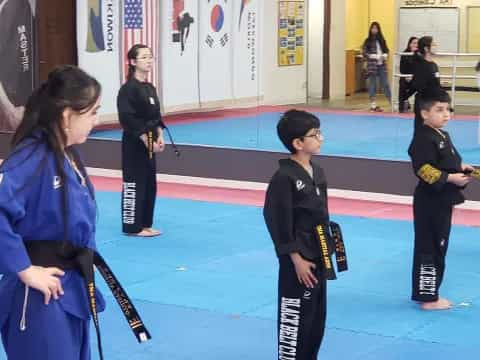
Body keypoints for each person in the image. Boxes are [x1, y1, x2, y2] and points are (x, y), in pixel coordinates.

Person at [0, 65, 105, 359]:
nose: (96, 120)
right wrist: (24, 269)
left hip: (71, 287)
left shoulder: (67, 155)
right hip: (40, 298)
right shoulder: (31, 158)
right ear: (66, 116)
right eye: (93, 112)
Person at [263, 110, 347, 359]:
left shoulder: (317, 172)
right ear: (298, 143)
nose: (321, 138)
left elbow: (322, 214)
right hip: (298, 260)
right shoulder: (284, 178)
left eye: (320, 132)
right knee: (295, 317)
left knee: (315, 318)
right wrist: (295, 258)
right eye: (315, 134)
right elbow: (276, 220)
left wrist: (330, 247)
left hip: (319, 253)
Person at [408, 88, 473, 311]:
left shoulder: (442, 135)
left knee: (438, 246)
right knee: (430, 247)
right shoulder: (423, 137)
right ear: (424, 113)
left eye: (448, 109)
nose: (446, 114)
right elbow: (422, 169)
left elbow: (449, 159)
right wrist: (450, 178)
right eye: (439, 110)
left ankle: (427, 292)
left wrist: (463, 168)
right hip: (430, 201)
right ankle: (428, 298)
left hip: (442, 200)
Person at [117, 44, 166, 237]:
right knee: (133, 182)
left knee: (149, 181)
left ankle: (145, 224)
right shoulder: (128, 89)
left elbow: (156, 115)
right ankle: (132, 226)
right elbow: (127, 117)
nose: (149, 60)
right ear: (133, 62)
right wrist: (145, 138)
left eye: (150, 56)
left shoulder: (149, 88)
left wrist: (159, 135)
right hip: (134, 140)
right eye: (144, 57)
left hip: (151, 137)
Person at [0, 0, 36, 132]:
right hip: (10, 109)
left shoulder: (22, 6)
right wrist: (9, 109)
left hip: (23, 107)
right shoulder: (11, 7)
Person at [409, 36, 442, 131]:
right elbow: (418, 85)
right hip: (423, 104)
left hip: (433, 103)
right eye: (433, 44)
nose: (436, 45)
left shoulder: (434, 65)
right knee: (421, 132)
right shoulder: (421, 65)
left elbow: (434, 82)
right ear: (426, 48)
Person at [362, 21, 392, 112]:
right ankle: (373, 105)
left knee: (385, 84)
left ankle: (392, 103)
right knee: (372, 85)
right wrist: (373, 56)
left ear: (379, 30)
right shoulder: (367, 41)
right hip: (372, 66)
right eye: (373, 28)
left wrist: (385, 55)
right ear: (370, 29)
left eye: (376, 28)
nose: (374, 30)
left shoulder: (382, 40)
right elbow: (364, 53)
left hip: (382, 65)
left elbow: (387, 50)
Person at [398, 37, 418, 113]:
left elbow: (421, 68)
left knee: (419, 84)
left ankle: (404, 99)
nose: (416, 45)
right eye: (414, 43)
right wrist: (406, 76)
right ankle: (401, 109)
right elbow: (401, 69)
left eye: (417, 43)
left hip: (415, 77)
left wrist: (413, 76)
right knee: (402, 83)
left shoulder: (419, 54)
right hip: (406, 77)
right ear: (410, 44)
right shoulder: (405, 53)